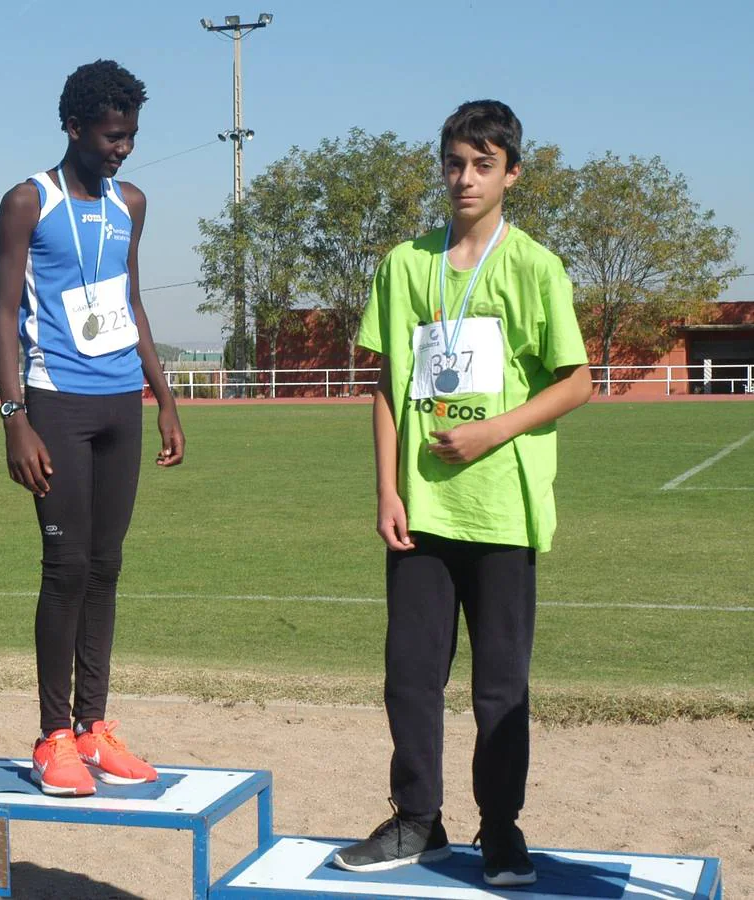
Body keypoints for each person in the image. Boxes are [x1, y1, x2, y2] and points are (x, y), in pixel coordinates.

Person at [332, 100, 593, 887]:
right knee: (409, 675)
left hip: (501, 507)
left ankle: (500, 830)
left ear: (512, 172)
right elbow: (384, 385)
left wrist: (494, 430)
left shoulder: (534, 266)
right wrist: (387, 486)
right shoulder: (404, 264)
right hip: (421, 506)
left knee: (498, 686)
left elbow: (576, 382)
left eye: (482, 164)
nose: (464, 177)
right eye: (453, 162)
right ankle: (417, 822)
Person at [0, 59, 185, 797]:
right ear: (73, 127)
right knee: (65, 569)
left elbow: (130, 302)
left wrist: (162, 397)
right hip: (55, 405)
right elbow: (3, 315)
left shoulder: (129, 202)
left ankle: (94, 729)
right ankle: (52, 738)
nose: (122, 148)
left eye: (130, 135)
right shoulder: (25, 201)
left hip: (118, 405)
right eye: (110, 135)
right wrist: (14, 418)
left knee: (105, 567)